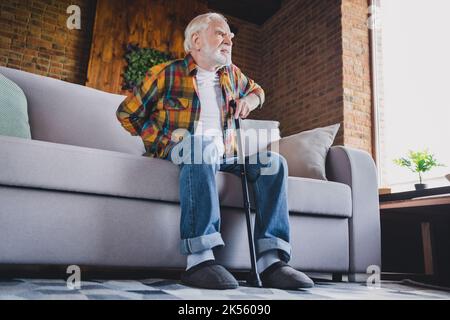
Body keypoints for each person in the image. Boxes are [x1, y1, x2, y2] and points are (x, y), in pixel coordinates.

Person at [116, 12, 314, 290]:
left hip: (225, 157)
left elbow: (259, 91)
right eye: (221, 33)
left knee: (274, 162)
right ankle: (199, 259)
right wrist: (164, 142)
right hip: (185, 151)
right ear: (196, 40)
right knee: (200, 146)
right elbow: (127, 114)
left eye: (231, 34)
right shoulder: (165, 73)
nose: (230, 38)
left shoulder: (232, 75)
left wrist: (249, 101)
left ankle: (271, 261)